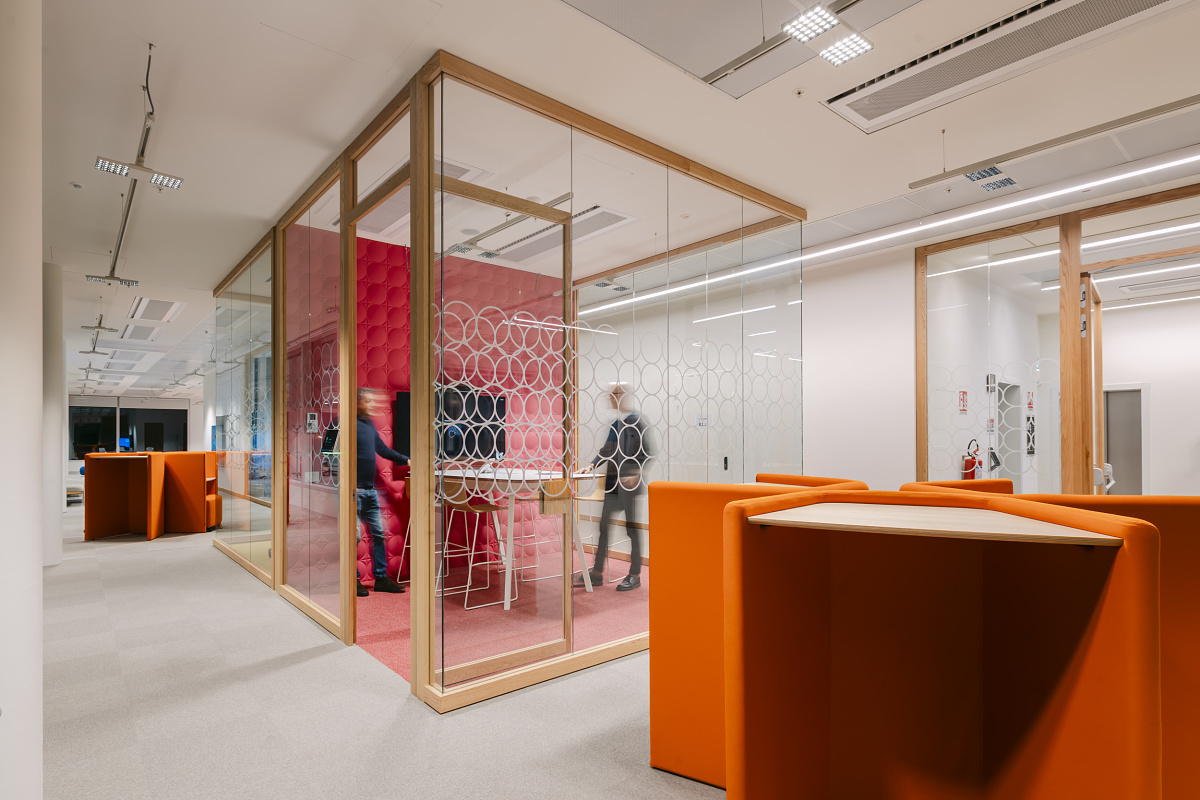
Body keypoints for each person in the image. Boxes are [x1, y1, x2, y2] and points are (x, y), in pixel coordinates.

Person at [577, 383, 653, 591]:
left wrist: (637, 474)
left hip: (629, 485)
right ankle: (597, 573)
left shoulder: (636, 421)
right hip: (613, 484)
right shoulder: (616, 424)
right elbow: (607, 449)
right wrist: (592, 464)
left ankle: (635, 574)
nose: (610, 399)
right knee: (603, 527)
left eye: (613, 395)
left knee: (632, 529)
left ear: (622, 396)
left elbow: (647, 452)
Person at [356, 388, 409, 597]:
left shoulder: (368, 424)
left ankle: (381, 578)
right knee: (354, 538)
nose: (372, 406)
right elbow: (331, 453)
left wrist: (405, 459)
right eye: (368, 401)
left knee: (378, 534)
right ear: (358, 402)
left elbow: (382, 450)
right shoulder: (344, 423)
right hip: (353, 491)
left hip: (369, 491)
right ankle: (353, 580)